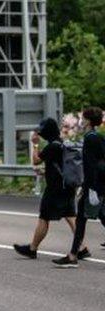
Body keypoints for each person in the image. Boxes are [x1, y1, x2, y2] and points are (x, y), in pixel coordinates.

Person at [13, 118, 81, 260]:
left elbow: (36, 160)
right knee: (70, 216)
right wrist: (46, 172)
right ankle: (82, 248)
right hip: (67, 187)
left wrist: (35, 145)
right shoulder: (61, 144)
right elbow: (58, 166)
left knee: (44, 217)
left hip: (55, 189)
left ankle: (32, 248)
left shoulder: (52, 147)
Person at [55, 107, 104, 267]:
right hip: (99, 185)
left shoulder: (90, 139)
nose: (81, 121)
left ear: (89, 121)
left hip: (94, 186)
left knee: (85, 219)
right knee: (88, 219)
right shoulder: (98, 137)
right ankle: (73, 255)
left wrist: (87, 187)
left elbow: (90, 166)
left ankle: (73, 256)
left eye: (83, 119)